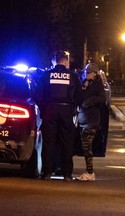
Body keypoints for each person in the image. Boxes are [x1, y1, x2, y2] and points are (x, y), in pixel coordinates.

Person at [36, 50, 83, 181]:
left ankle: (47, 173)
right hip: (66, 111)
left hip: (50, 110)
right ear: (66, 61)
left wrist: (44, 107)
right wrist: (75, 109)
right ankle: (67, 174)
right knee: (67, 143)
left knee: (49, 142)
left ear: (54, 61)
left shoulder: (47, 75)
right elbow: (79, 96)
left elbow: (38, 94)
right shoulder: (72, 76)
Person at [76, 63, 107, 181]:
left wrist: (89, 102)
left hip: (91, 120)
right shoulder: (86, 83)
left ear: (94, 74)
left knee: (87, 146)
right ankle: (88, 171)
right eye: (85, 72)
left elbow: (102, 98)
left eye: (88, 72)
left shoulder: (98, 84)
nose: (86, 74)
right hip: (84, 119)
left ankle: (90, 172)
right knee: (85, 147)